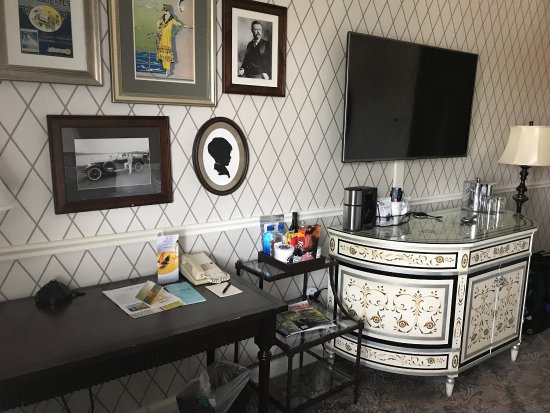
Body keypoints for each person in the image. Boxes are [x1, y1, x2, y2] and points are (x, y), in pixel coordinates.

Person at [156, 5, 182, 77]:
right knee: (163, 56)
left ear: (169, 11)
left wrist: (174, 33)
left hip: (167, 40)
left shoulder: (172, 19)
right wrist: (158, 30)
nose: (164, 12)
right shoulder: (163, 18)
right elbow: (157, 22)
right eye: (164, 11)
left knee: (167, 56)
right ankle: (166, 71)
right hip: (162, 39)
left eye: (166, 10)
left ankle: (168, 71)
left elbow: (180, 25)